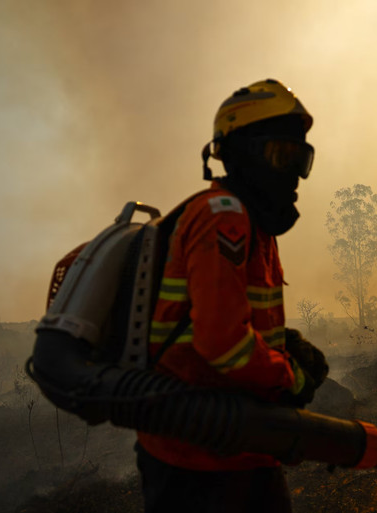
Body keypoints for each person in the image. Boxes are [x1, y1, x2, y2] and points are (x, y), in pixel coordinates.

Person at [135, 79, 329, 513]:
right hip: (198, 458)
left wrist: (284, 344)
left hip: (240, 443)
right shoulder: (222, 217)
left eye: (301, 159)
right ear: (240, 154)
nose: (294, 174)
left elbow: (228, 317)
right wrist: (291, 378)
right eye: (282, 156)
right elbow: (221, 343)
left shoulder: (255, 225)